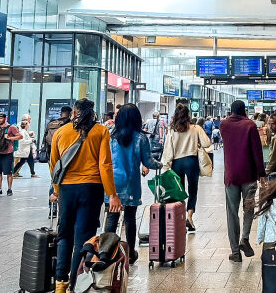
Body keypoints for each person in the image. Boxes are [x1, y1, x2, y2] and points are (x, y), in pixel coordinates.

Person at [50, 98, 121, 293]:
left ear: (74, 113)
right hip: (91, 189)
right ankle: (75, 284)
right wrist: (111, 194)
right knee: (84, 237)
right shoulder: (101, 131)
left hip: (67, 189)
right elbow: (105, 165)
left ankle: (60, 283)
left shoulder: (60, 133)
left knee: (64, 235)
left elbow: (54, 165)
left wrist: (56, 190)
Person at [105, 103, 162, 264]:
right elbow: (149, 162)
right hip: (131, 182)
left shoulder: (110, 136)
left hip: (112, 182)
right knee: (130, 218)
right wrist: (160, 164)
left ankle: (107, 252)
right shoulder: (140, 138)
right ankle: (130, 253)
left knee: (112, 216)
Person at [220, 100, 265, 263]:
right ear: (244, 111)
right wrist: (262, 173)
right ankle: (244, 238)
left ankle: (235, 252)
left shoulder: (223, 125)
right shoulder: (250, 125)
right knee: (248, 208)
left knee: (232, 212)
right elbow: (257, 151)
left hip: (231, 176)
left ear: (231, 111)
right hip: (249, 175)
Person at [161, 103, 211, 233]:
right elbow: (207, 143)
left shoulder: (172, 130)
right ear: (188, 114)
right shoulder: (195, 128)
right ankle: (190, 216)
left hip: (176, 163)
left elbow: (168, 150)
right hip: (191, 161)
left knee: (179, 192)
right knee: (193, 190)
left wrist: (166, 166)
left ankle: (181, 218)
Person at [0, 113, 22, 197]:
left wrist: (10, 138)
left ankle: (9, 188)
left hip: (7, 152)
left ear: (5, 118)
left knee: (9, 172)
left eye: (0, 118)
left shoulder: (11, 127)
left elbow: (20, 136)